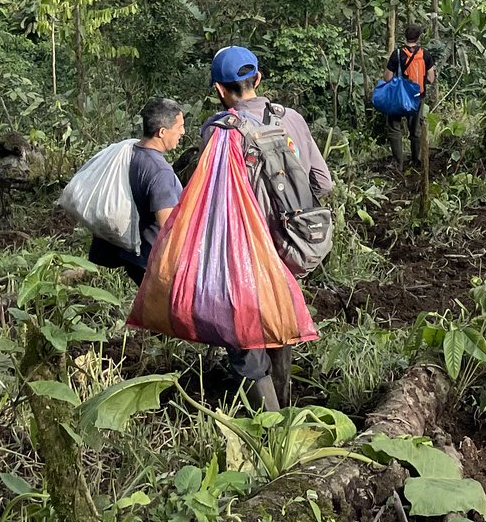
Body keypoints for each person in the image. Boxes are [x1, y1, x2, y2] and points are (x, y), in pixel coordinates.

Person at [203, 45, 333, 410]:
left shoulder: (218, 132)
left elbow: (210, 201)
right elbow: (323, 183)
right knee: (280, 318)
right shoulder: (291, 119)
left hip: (246, 248)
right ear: (257, 79)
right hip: (293, 243)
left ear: (219, 90)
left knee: (244, 327)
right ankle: (286, 408)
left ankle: (268, 419)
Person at [87, 98, 186, 284]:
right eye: (179, 126)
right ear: (162, 132)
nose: (183, 132)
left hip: (130, 256)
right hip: (150, 261)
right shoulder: (160, 172)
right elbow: (169, 227)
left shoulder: (128, 152)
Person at [385, 23, 437, 168]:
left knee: (394, 126)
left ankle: (398, 162)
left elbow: (388, 78)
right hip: (417, 97)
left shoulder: (397, 54)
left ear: (405, 37)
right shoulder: (425, 54)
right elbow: (431, 79)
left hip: (399, 97)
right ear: (419, 37)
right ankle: (416, 160)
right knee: (415, 129)